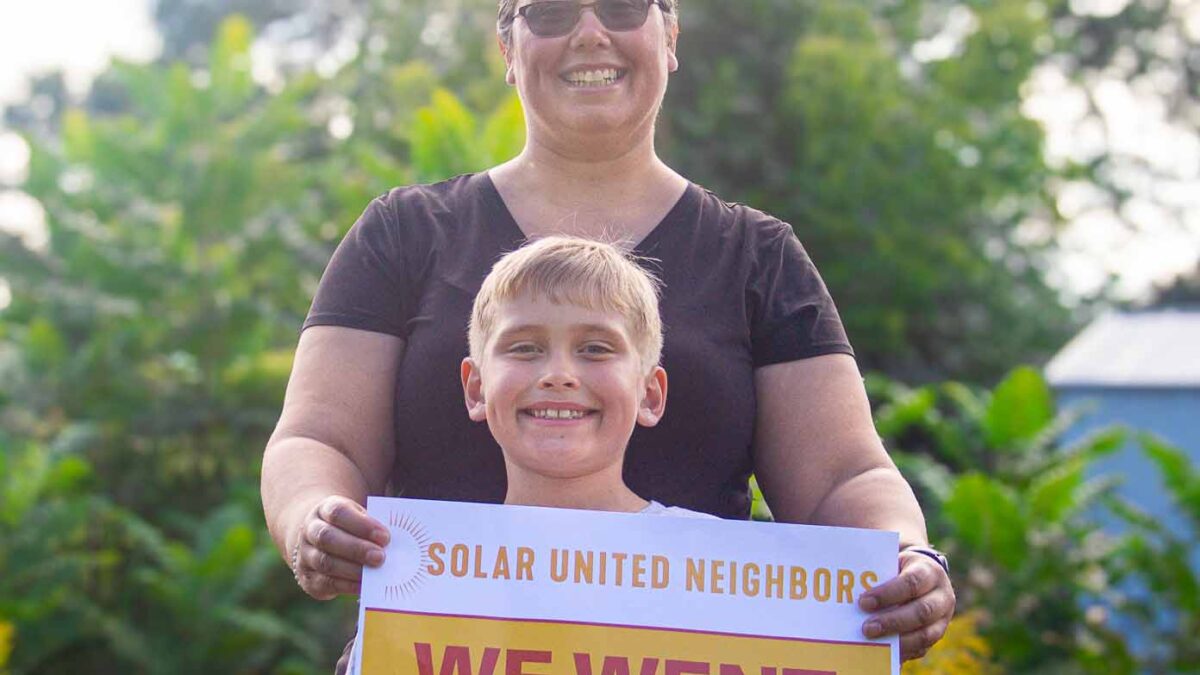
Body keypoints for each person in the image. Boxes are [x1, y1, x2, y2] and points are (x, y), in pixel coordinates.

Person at [260, 1, 956, 671]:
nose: (590, 32)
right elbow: (318, 439)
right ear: (508, 48)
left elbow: (844, 475)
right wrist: (310, 520)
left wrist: (909, 561)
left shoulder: (758, 257)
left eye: (622, 6)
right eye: (553, 11)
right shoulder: (403, 234)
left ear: (671, 36)